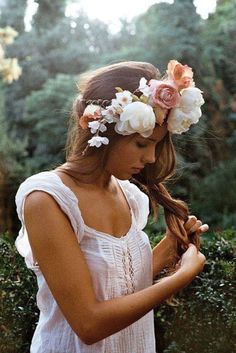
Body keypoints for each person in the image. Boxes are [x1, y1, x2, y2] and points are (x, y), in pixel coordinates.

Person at [15, 60, 208, 353]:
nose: (152, 159)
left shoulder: (128, 196)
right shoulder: (47, 198)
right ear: (106, 133)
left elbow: (122, 285)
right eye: (142, 145)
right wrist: (181, 277)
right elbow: (89, 324)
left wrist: (170, 248)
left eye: (156, 145)